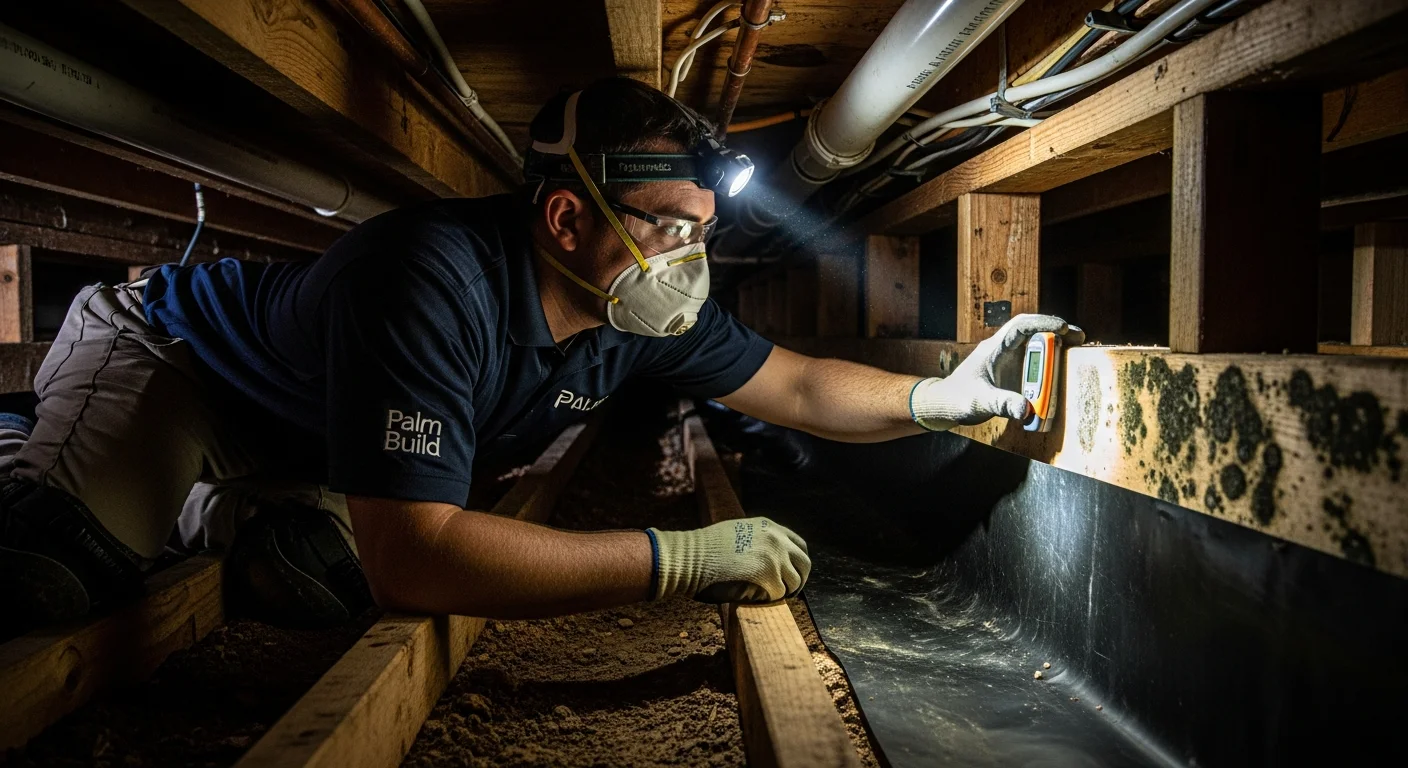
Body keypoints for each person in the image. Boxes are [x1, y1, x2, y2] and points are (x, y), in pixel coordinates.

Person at [0, 78, 1082, 631]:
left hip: (322, 430)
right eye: (668, 226)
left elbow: (792, 382)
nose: (689, 258)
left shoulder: (634, 305)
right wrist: (679, 559)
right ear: (567, 221)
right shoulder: (429, 277)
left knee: (313, 579)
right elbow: (418, 558)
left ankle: (206, 510)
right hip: (183, 363)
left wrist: (945, 392)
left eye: (702, 231)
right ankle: (32, 459)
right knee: (50, 583)